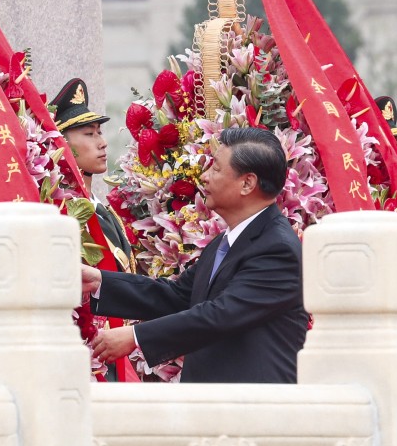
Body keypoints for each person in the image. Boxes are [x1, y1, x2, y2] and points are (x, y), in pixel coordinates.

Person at [81, 127, 308, 383]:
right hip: (214, 403)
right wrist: (100, 281)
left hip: (253, 408)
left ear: (247, 183)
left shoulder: (276, 249)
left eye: (216, 169)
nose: (205, 176)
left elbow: (220, 314)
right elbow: (178, 295)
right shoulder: (228, 240)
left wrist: (135, 337)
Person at [50, 78, 134, 274]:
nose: (103, 142)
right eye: (89, 134)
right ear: (62, 144)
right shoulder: (64, 215)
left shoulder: (103, 211)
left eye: (100, 132)